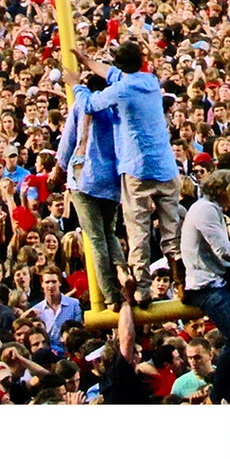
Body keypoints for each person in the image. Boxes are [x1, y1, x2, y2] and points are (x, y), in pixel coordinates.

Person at [74, 41, 182, 295]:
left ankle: (143, 289)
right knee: (171, 229)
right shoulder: (151, 82)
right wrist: (88, 61)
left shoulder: (121, 90)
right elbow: (113, 73)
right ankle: (182, 283)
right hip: (166, 167)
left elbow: (89, 104)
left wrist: (75, 84)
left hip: (138, 169)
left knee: (139, 231)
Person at [179, 169, 230, 403]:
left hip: (216, 279)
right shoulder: (204, 209)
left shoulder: (212, 209)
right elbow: (222, 249)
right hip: (206, 286)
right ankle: (216, 393)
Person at [54, 73, 126, 310]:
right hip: (111, 181)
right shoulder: (116, 111)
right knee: (109, 233)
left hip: (83, 178)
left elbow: (67, 143)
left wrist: (57, 172)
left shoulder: (80, 107)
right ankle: (123, 273)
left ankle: (111, 295)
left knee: (96, 238)